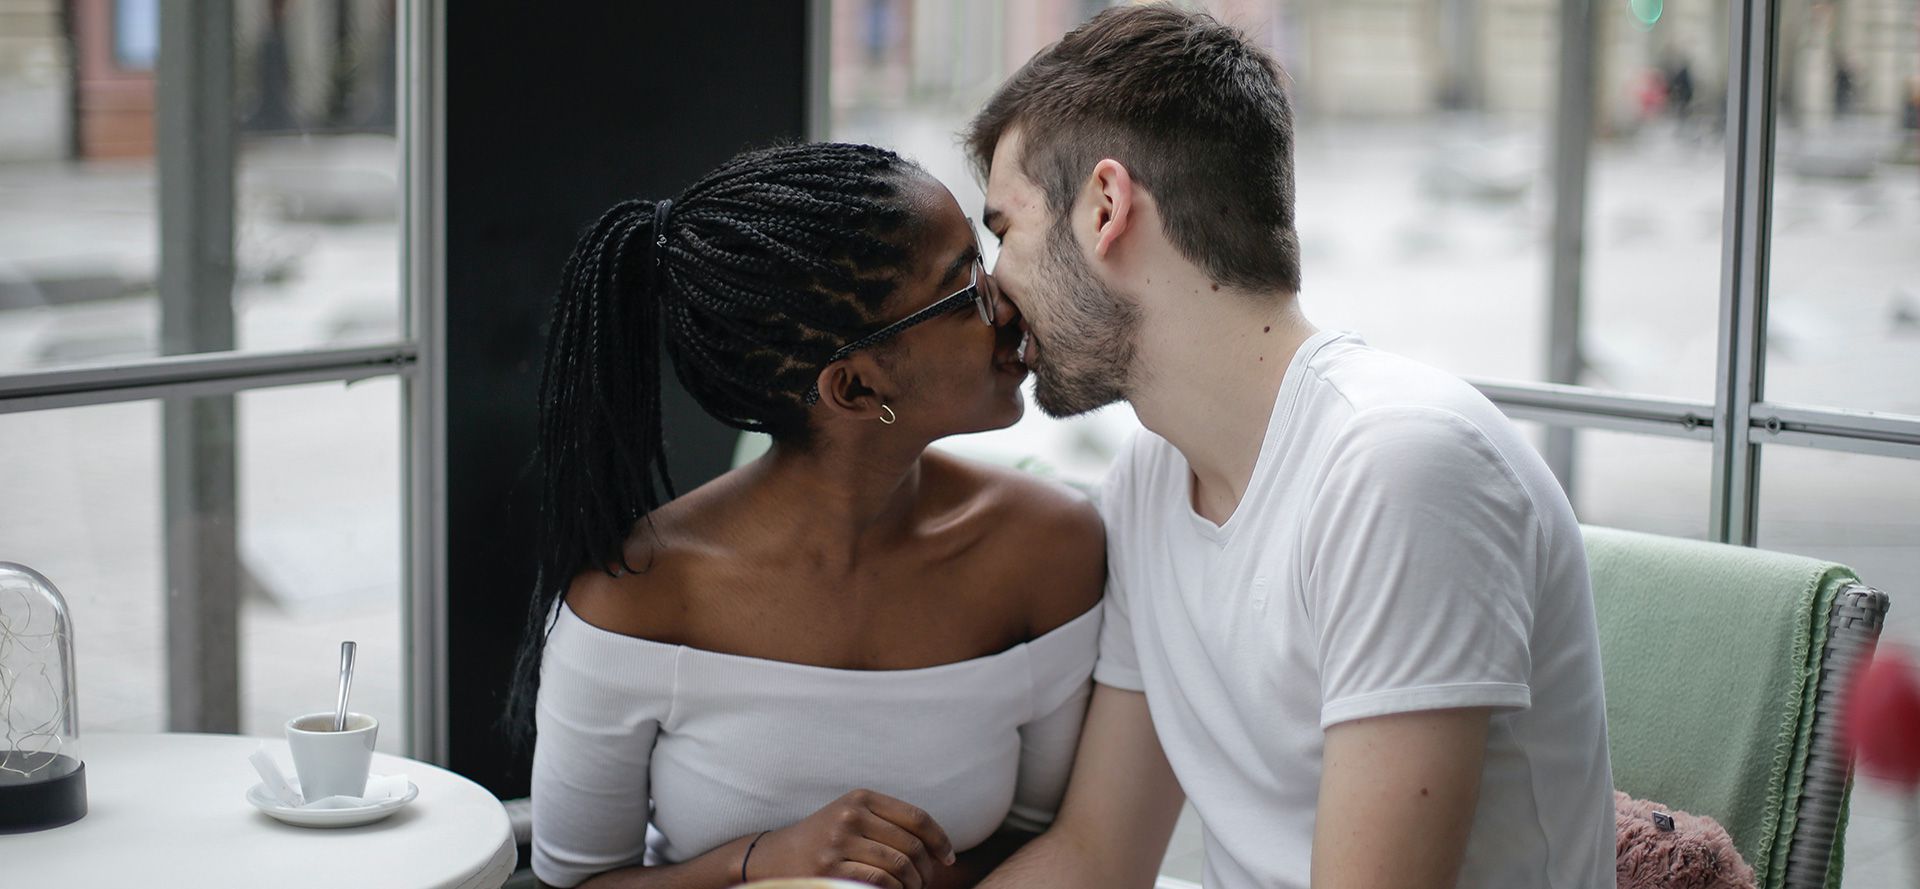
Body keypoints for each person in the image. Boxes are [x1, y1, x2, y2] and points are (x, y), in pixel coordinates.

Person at [963, 7, 1614, 888]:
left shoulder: (1397, 469)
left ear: (1106, 207)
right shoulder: (1152, 479)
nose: (992, 291)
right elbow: (1097, 856)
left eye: (1004, 232)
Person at [512, 142, 1105, 889]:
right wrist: (758, 862)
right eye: (968, 293)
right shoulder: (634, 599)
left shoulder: (1049, 551)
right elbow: (576, 882)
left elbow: (1048, 836)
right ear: (855, 390)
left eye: (985, 260)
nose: (1009, 304)